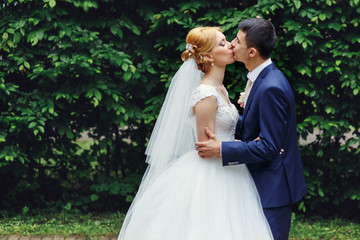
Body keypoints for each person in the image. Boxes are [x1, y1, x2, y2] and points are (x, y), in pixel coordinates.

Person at [117, 26, 273, 240]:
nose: (230, 45)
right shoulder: (206, 93)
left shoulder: (220, 88)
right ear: (209, 56)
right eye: (222, 43)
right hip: (214, 173)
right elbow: (206, 147)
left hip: (231, 167)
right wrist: (240, 146)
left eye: (227, 40)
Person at [195, 18, 307, 240]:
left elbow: (269, 147)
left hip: (272, 189)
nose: (232, 45)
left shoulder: (270, 86)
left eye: (237, 41)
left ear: (252, 52)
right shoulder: (262, 78)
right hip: (258, 182)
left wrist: (223, 149)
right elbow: (256, 125)